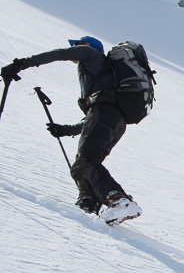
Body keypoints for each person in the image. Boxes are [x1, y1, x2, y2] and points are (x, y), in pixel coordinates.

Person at [2, 36, 141, 225]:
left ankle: (119, 200)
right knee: (82, 165)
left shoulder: (90, 53)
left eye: (77, 45)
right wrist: (65, 130)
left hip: (105, 114)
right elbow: (95, 118)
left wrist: (23, 63)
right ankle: (88, 205)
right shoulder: (103, 77)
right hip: (115, 121)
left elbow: (61, 54)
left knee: (87, 159)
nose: (74, 49)